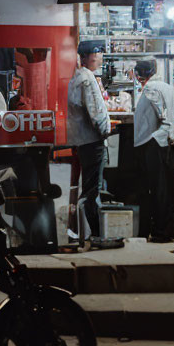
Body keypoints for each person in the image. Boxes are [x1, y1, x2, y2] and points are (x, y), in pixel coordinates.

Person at [67, 45, 112, 243]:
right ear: (85, 57)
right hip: (92, 140)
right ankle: (94, 235)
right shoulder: (86, 78)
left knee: (89, 188)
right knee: (92, 191)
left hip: (82, 140)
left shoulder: (76, 76)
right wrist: (106, 130)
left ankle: (89, 234)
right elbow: (96, 112)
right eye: (97, 54)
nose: (100, 57)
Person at [132, 59, 174, 243]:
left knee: (156, 189)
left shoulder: (151, 89)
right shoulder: (166, 86)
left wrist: (159, 134)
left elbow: (163, 116)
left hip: (153, 141)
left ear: (139, 74)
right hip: (159, 140)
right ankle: (160, 229)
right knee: (161, 188)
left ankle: (160, 231)